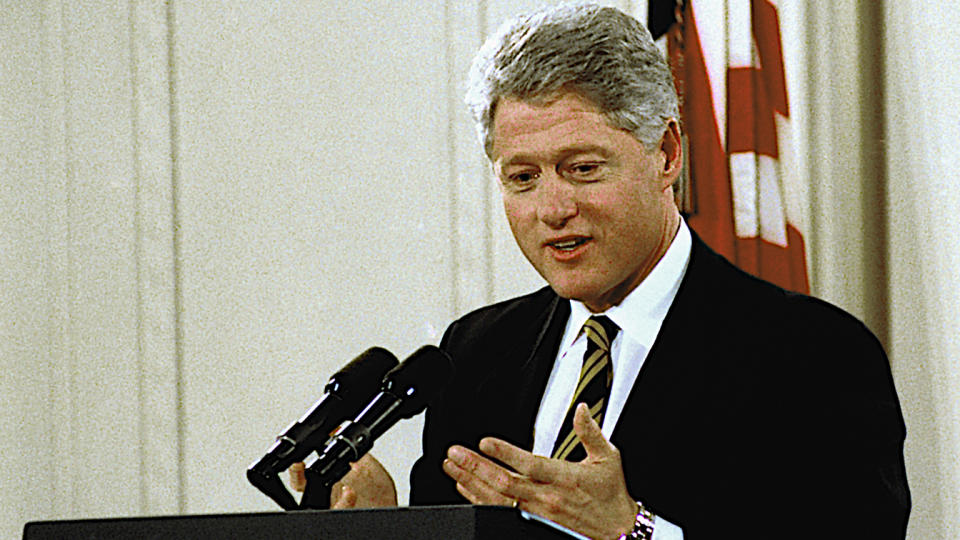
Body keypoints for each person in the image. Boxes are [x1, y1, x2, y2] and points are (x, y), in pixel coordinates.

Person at [292, 4, 910, 538]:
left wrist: (632, 532)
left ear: (667, 154)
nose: (553, 210)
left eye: (583, 168)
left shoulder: (815, 356)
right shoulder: (474, 354)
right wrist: (379, 525)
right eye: (523, 178)